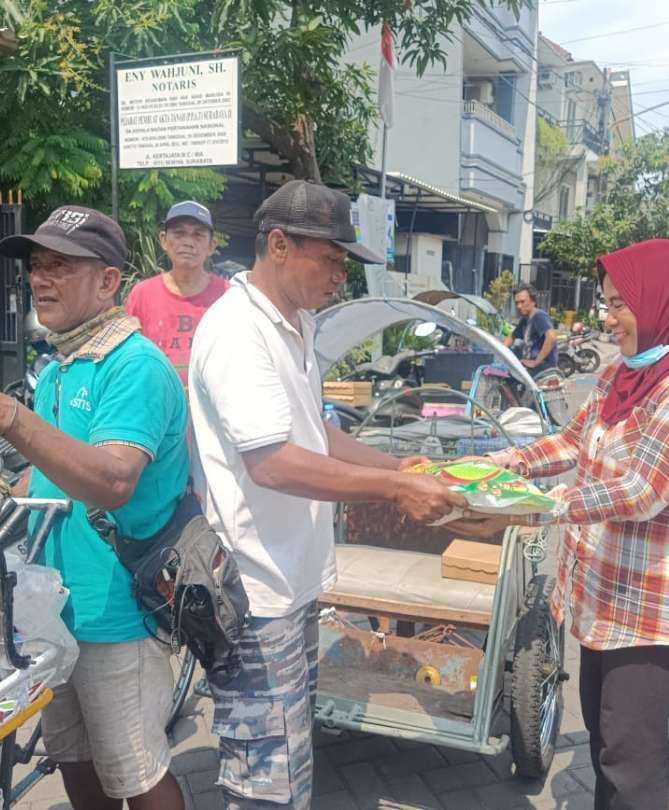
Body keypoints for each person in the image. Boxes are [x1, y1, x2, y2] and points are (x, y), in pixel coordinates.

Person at [0, 205, 189, 810]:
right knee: (73, 761)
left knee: (137, 772)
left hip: (119, 612)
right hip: (55, 608)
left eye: (62, 266)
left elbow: (111, 479)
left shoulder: (133, 367)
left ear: (109, 281)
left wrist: (5, 413)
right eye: (36, 266)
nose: (41, 279)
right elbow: (44, 475)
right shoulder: (58, 364)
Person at [188, 180, 469, 809]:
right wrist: (396, 488)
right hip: (256, 593)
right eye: (333, 258)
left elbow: (313, 436)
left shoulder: (295, 323)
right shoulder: (237, 330)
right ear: (280, 245)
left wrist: (401, 463)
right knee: (265, 779)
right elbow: (275, 464)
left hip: (292, 581)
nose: (342, 274)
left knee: (286, 759)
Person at [456, 239, 669, 810]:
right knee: (606, 742)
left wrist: (535, 503)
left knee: (630, 762)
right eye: (606, 302)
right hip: (602, 597)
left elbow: (645, 489)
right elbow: (572, 440)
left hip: (654, 608)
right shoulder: (623, 374)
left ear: (662, 300)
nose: (606, 317)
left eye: (620, 304)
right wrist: (500, 464)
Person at [124, 200, 227, 390]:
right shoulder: (142, 294)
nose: (188, 242)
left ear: (211, 246)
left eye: (198, 235)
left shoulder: (228, 296)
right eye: (179, 233)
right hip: (155, 408)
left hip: (210, 412)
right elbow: (127, 357)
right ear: (163, 240)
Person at [504, 283, 558, 378]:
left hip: (542, 368)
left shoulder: (539, 316)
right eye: (516, 303)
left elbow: (552, 337)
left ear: (533, 301)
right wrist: (498, 351)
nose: (519, 306)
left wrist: (536, 362)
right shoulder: (525, 320)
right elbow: (512, 337)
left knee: (507, 378)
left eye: (522, 302)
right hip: (531, 366)